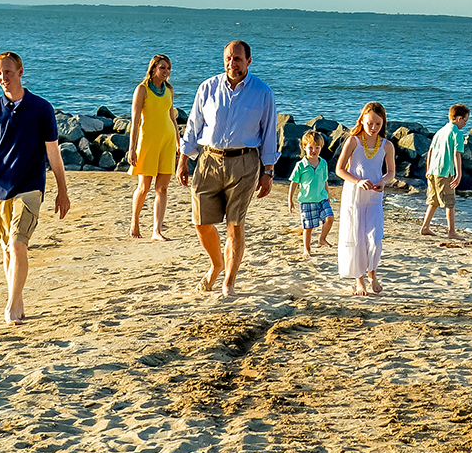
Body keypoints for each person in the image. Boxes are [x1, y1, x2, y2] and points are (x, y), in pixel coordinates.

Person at [0, 50, 71, 324]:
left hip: (30, 187)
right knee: (6, 249)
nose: (2, 77)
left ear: (20, 71)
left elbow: (53, 153)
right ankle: (17, 299)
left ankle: (12, 305)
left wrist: (62, 190)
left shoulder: (41, 109)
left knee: (18, 245)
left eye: (7, 71)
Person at [176, 39, 278, 298]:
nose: (232, 64)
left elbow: (269, 135)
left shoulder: (263, 93)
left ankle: (228, 283)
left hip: (244, 163)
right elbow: (193, 126)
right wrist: (183, 159)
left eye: (237, 59)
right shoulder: (207, 88)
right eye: (228, 59)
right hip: (208, 160)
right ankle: (216, 263)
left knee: (235, 225)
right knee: (201, 222)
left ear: (249, 61)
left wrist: (268, 172)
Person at [336, 101, 394, 295]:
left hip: (375, 195)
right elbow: (339, 169)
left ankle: (372, 273)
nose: (373, 128)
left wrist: (384, 181)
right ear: (362, 120)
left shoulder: (387, 145)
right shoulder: (353, 140)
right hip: (354, 196)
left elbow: (391, 173)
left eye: (378, 124)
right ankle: (359, 280)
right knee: (357, 236)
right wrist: (357, 181)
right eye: (370, 123)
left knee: (375, 238)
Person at [126, 53, 178, 241]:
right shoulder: (142, 89)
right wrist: (132, 148)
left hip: (167, 141)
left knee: (162, 188)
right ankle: (135, 220)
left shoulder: (169, 90)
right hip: (147, 141)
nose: (166, 72)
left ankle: (157, 230)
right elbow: (135, 119)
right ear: (153, 69)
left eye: (168, 68)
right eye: (162, 68)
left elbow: (172, 118)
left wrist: (179, 143)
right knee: (144, 187)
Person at [419, 103, 469, 238]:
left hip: (433, 170)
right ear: (458, 118)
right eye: (465, 120)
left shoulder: (440, 131)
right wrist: (458, 174)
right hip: (445, 171)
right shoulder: (456, 133)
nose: (465, 123)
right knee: (450, 202)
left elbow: (430, 151)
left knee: (433, 200)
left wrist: (427, 169)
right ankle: (452, 232)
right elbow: (456, 154)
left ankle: (425, 227)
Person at [288, 129, 334, 256]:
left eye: (317, 148)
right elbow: (294, 183)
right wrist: (290, 200)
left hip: (322, 199)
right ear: (304, 147)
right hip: (306, 201)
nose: (314, 151)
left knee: (330, 218)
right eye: (311, 147)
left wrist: (328, 196)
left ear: (321, 148)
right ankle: (306, 250)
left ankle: (322, 238)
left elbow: (325, 181)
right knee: (308, 228)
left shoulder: (323, 163)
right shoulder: (301, 165)